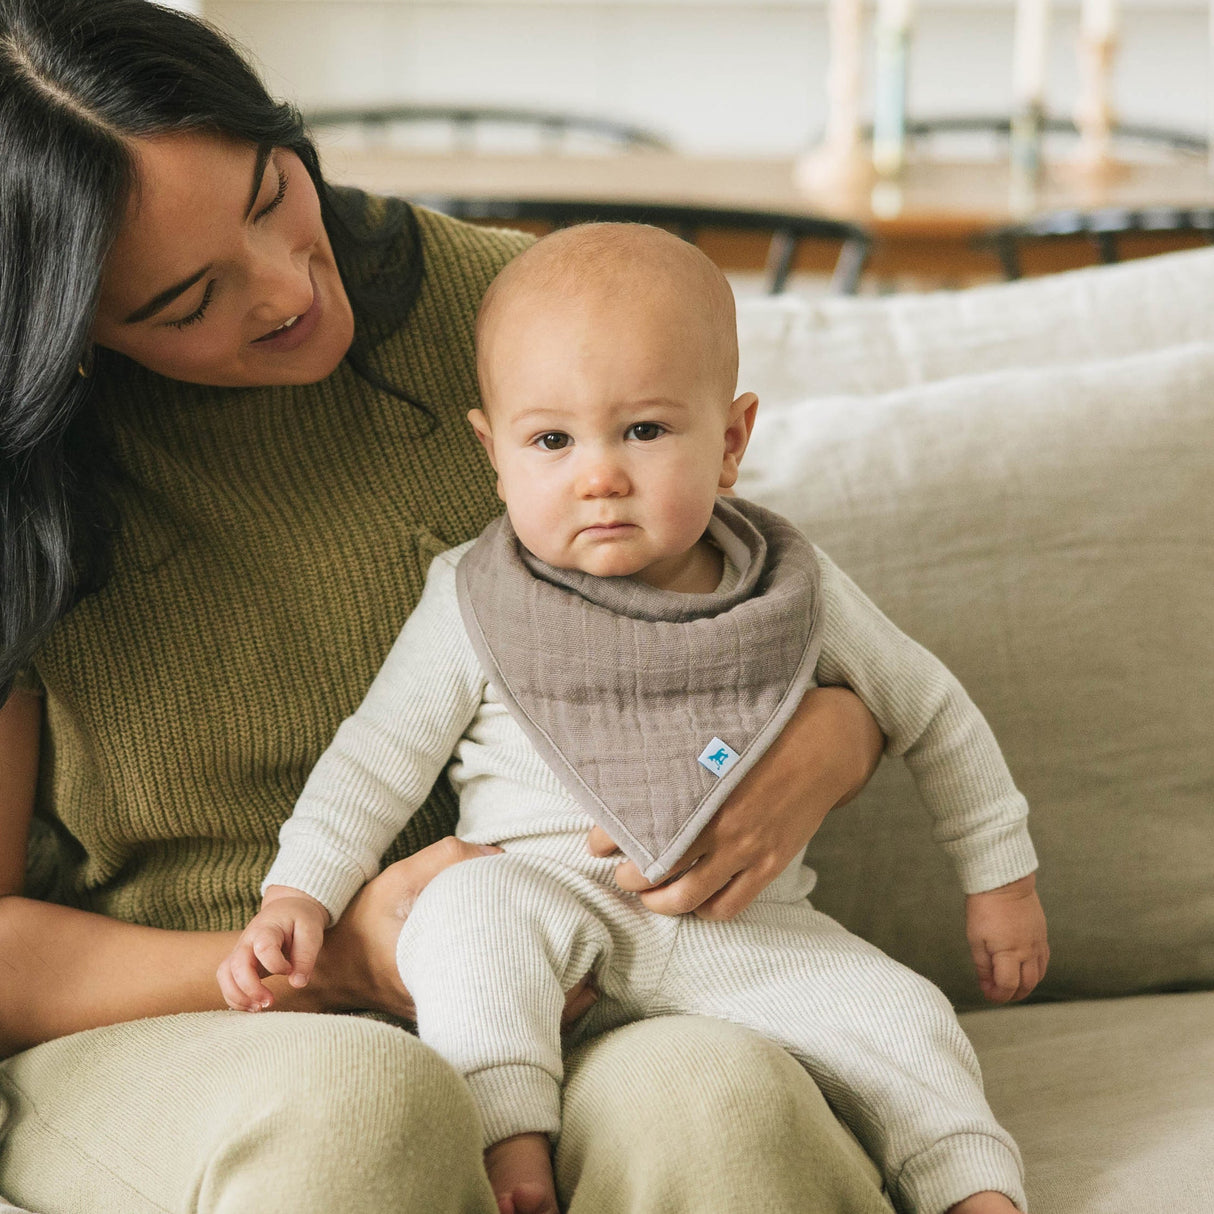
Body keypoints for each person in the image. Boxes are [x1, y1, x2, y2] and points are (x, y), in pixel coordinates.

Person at [0, 1, 900, 1210]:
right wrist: (340, 965)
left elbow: (752, 606)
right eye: (186, 298)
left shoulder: (504, 306)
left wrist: (832, 739)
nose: (283, 288)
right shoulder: (29, 484)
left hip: (600, 968)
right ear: (71, 335)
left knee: (718, 1102)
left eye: (271, 194)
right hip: (204, 1018)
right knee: (362, 1114)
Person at [222, 224, 1050, 1214]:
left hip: (747, 930)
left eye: (644, 432)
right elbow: (374, 759)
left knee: (902, 1013)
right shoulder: (473, 597)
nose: (598, 474)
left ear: (732, 438)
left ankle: (969, 1183)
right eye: (551, 440)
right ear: (493, 453)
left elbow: (931, 712)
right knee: (461, 916)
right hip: (543, 901)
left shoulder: (788, 591)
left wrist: (1001, 881)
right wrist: (296, 892)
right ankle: (507, 1138)